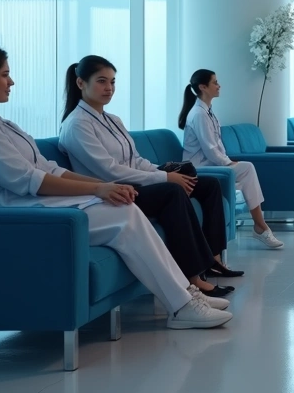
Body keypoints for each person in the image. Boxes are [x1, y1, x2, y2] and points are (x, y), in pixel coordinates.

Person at [0, 44, 231, 329]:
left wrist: (104, 187)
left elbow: (50, 168)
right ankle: (182, 304)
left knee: (126, 209)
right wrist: (98, 189)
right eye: (5, 75)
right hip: (13, 215)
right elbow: (28, 180)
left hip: (32, 205)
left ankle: (184, 296)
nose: (12, 82)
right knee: (125, 216)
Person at [59, 56, 241, 296]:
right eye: (102, 81)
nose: (109, 88)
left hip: (136, 183)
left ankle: (214, 259)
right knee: (173, 192)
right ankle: (192, 277)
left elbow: (135, 159)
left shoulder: (113, 120)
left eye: (112, 82)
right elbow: (109, 171)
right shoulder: (77, 125)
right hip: (113, 193)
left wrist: (162, 172)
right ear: (81, 83)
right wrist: (165, 180)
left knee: (208, 184)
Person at [179, 69, 284, 249]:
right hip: (200, 169)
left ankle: (260, 225)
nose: (219, 86)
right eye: (215, 82)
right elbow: (210, 149)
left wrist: (228, 162)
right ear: (203, 87)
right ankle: (260, 225)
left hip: (211, 165)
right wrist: (228, 163)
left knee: (246, 171)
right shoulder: (198, 114)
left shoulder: (208, 112)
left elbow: (216, 146)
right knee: (247, 169)